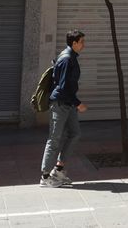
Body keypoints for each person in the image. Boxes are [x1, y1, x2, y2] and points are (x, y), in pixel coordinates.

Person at [41, 30, 87, 187]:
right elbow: (63, 87)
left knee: (75, 134)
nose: (83, 45)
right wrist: (78, 103)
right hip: (61, 104)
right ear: (74, 43)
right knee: (54, 139)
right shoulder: (67, 59)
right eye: (81, 42)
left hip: (68, 104)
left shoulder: (70, 57)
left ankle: (58, 170)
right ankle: (45, 177)